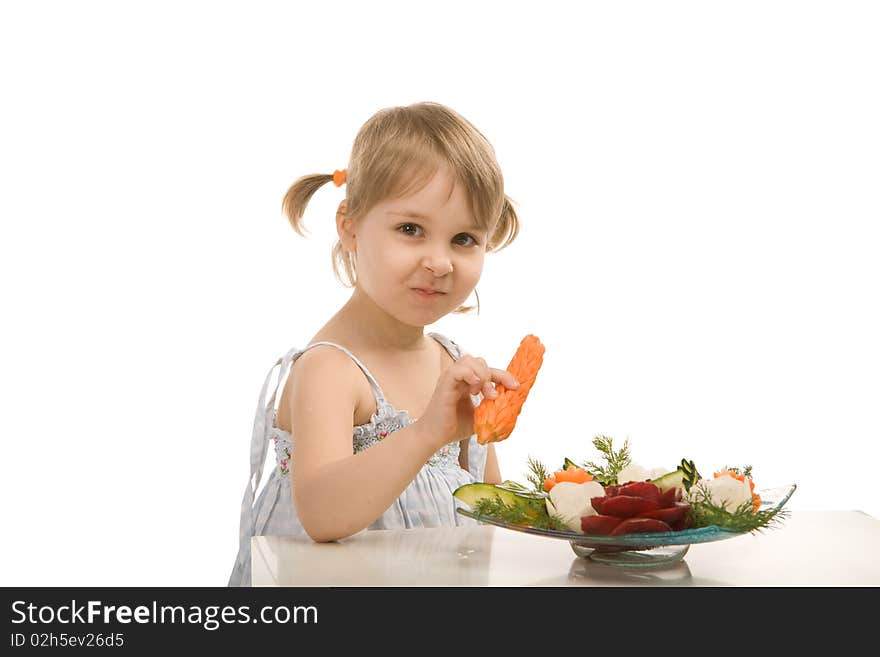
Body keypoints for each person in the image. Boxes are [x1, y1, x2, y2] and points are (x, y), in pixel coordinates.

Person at [228, 101, 523, 586]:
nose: (439, 262)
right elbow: (323, 515)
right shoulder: (330, 370)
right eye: (411, 230)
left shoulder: (450, 362)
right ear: (350, 226)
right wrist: (428, 432)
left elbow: (492, 515)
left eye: (464, 238)